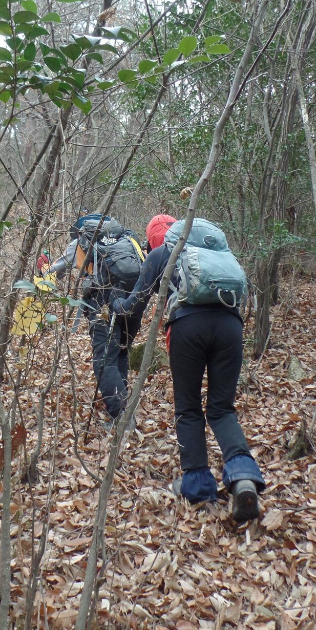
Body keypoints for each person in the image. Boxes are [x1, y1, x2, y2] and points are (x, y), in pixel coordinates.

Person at [109, 215, 265, 522]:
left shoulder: (163, 253)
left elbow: (132, 305)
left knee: (189, 408)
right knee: (222, 409)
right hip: (231, 327)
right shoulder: (217, 252)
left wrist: (114, 302)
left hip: (187, 328)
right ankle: (243, 474)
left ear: (153, 237)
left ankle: (198, 485)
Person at [46, 214, 145, 426]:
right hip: (133, 300)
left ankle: (121, 418)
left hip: (103, 302)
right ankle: (121, 407)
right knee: (120, 352)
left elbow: (52, 274)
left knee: (104, 361)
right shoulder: (127, 240)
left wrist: (43, 271)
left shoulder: (80, 243)